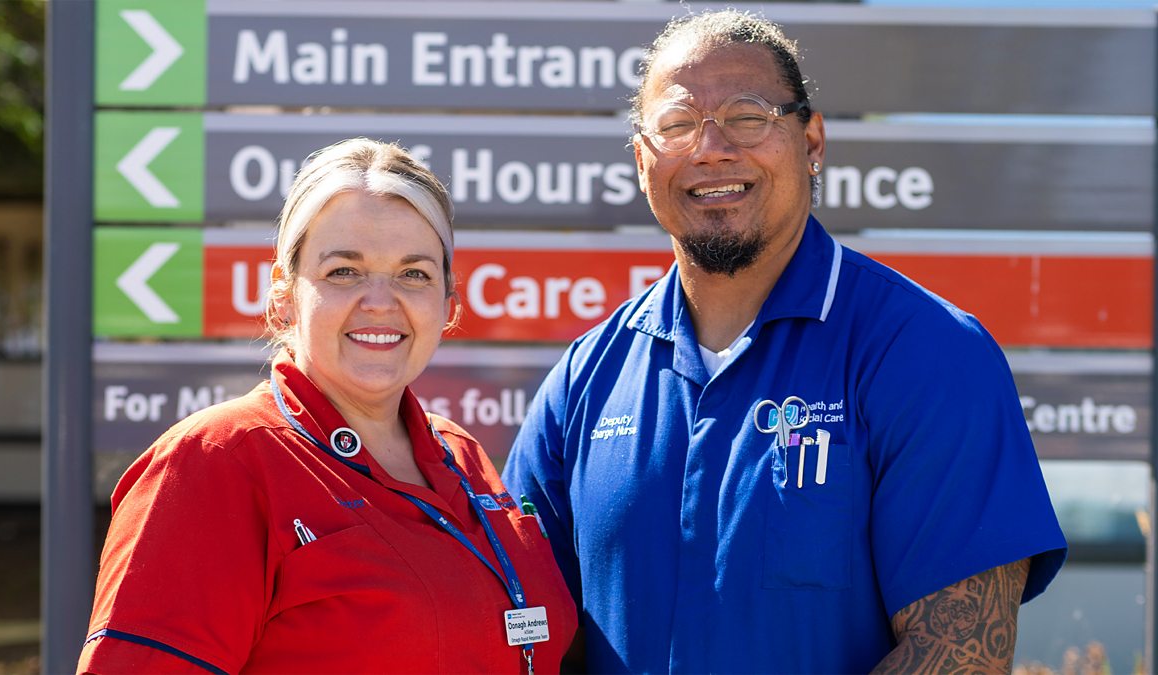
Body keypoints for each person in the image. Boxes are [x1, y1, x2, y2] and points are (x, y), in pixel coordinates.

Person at [502, 9, 1067, 674]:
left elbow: (957, 655)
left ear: (813, 141)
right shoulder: (584, 380)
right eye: (677, 125)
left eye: (747, 116)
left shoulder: (927, 352)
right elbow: (521, 629)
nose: (710, 148)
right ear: (641, 160)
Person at [78, 138, 576, 674]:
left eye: (415, 274)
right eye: (344, 271)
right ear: (284, 294)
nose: (381, 301)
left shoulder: (463, 456)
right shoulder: (213, 462)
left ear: (448, 303)